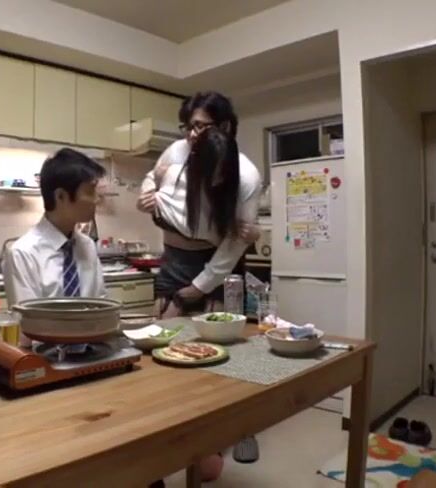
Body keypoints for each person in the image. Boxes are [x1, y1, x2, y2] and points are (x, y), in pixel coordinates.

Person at [138, 92, 262, 482]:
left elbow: (235, 243)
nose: (192, 135)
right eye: (189, 126)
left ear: (225, 126)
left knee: (221, 356)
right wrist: (147, 194)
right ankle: (177, 431)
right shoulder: (178, 151)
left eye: (201, 127)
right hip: (174, 260)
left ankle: (237, 429)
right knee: (166, 348)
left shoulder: (245, 175)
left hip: (218, 263)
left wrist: (199, 287)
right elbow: (153, 176)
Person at [2, 148, 107, 305]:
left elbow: (101, 305)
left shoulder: (87, 246)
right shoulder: (23, 254)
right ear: (61, 196)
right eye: (90, 191)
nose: (97, 199)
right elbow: (28, 317)